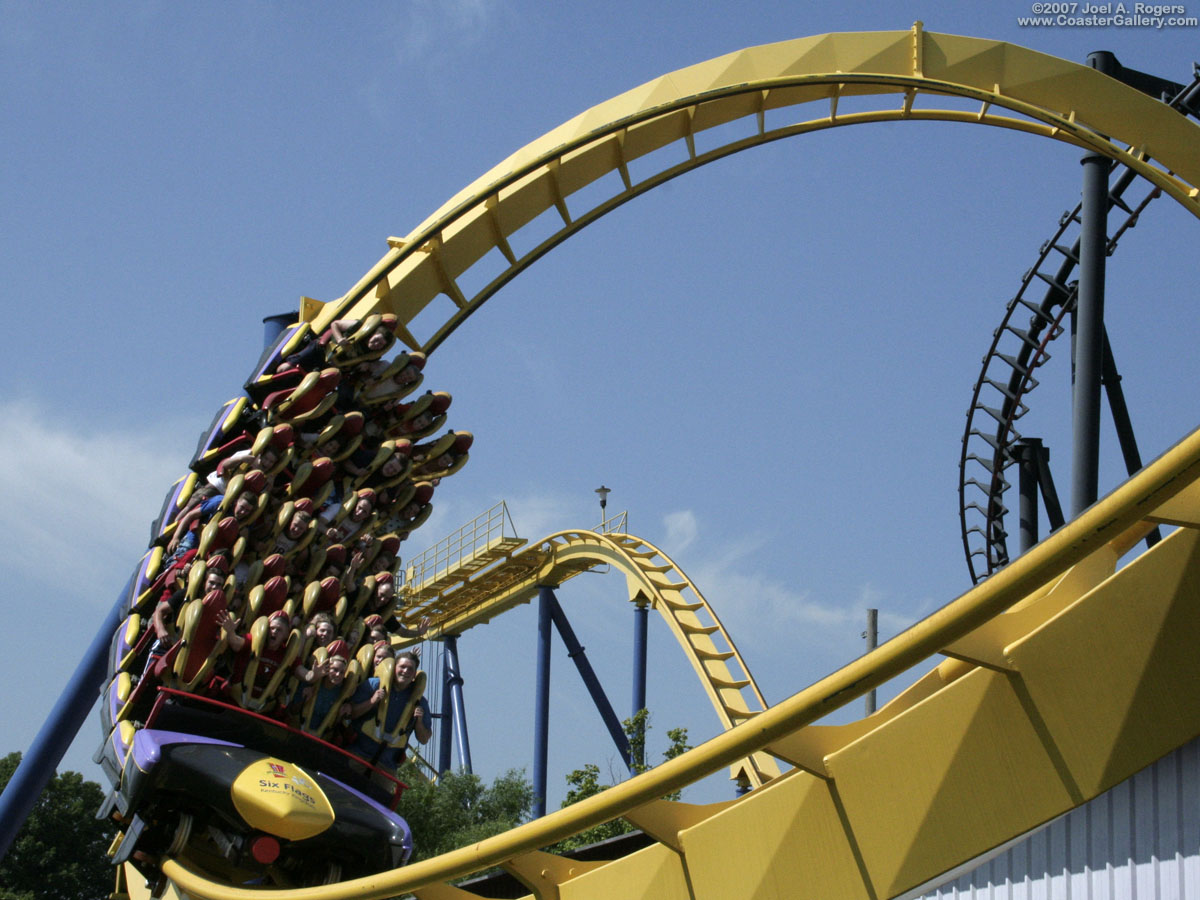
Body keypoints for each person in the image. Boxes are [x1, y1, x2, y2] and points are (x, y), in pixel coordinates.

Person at [348, 651, 431, 770]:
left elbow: (424, 739)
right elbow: (350, 714)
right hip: (357, 754)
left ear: (414, 675)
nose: (405, 671)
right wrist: (372, 701)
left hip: (386, 765)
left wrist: (419, 722)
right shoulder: (374, 685)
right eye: (402, 667)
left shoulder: (419, 701)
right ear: (394, 668)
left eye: (410, 669)